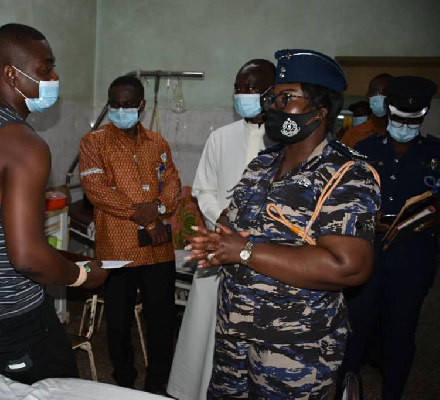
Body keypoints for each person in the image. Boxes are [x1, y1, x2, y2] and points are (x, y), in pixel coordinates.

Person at [185, 49, 381, 398]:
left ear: (320, 110)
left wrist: (244, 252)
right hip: (234, 333)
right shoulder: (262, 164)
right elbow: (233, 224)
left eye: (286, 98)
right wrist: (218, 244)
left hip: (295, 349)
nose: (273, 106)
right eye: (272, 97)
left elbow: (349, 267)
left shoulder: (347, 175)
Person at [0, 23, 109, 385]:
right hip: (3, 317)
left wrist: (73, 259)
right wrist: (83, 277)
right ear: (11, 73)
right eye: (46, 69)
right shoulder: (25, 145)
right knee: (59, 386)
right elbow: (26, 257)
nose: (54, 77)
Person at [167, 59, 275, 400]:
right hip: (219, 243)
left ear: (273, 93)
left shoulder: (285, 142)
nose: (243, 95)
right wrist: (222, 219)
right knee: (206, 328)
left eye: (252, 88)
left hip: (265, 252)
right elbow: (203, 190)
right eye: (239, 88)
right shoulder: (221, 138)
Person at [79, 75, 181, 394]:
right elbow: (98, 191)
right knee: (118, 321)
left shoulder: (158, 143)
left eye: (128, 104)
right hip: (117, 247)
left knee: (162, 319)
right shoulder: (93, 142)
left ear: (142, 105)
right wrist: (146, 215)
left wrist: (159, 209)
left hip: (158, 249)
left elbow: (173, 182)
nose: (121, 109)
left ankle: (158, 381)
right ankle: (124, 380)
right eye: (115, 104)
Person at [338, 76, 439, 400]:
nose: (404, 126)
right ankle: (346, 392)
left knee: (400, 333)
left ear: (422, 117)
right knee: (355, 332)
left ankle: (392, 394)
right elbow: (343, 199)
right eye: (399, 119)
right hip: (368, 255)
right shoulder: (365, 150)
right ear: (388, 114)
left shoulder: (436, 152)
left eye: (412, 121)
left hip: (414, 259)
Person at [341, 73, 393, 147]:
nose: (380, 96)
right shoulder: (352, 135)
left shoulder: (403, 134)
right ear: (368, 96)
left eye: (385, 93)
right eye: (375, 92)